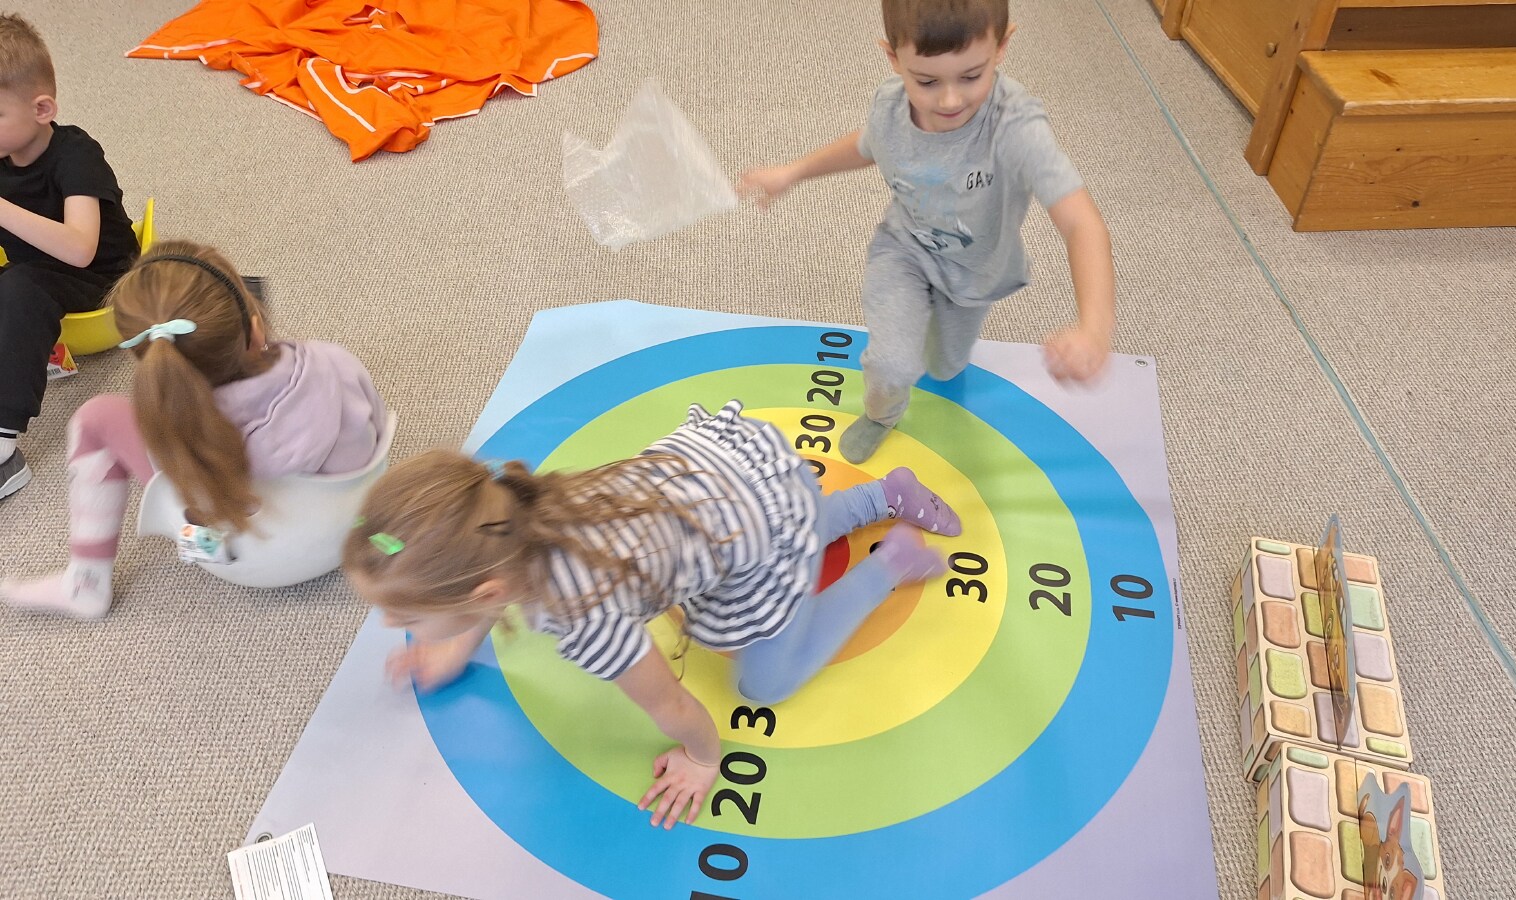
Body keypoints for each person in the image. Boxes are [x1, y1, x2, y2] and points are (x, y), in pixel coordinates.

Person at [343, 400, 961, 829]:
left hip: (760, 521)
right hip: (737, 469)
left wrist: (703, 758)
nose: (391, 625)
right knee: (778, 522)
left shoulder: (582, 617)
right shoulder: (516, 509)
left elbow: (671, 705)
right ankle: (885, 493)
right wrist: (455, 645)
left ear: (485, 592)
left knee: (763, 684)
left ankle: (892, 563)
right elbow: (486, 579)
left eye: (405, 616)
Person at [738, 0, 1116, 463]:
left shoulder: (1015, 126)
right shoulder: (891, 106)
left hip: (976, 271)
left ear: (1002, 47)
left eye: (971, 76)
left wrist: (1094, 328)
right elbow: (867, 145)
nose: (950, 100)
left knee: (945, 367)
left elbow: (1081, 222)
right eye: (927, 82)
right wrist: (793, 172)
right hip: (904, 250)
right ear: (893, 58)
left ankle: (942, 347)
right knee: (892, 366)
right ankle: (881, 415)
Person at [0, 240, 387, 618]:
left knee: (96, 417)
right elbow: (378, 428)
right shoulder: (333, 361)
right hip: (352, 526)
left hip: (245, 559)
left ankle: (86, 583)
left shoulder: (177, 428)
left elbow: (190, 502)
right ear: (255, 328)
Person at [0, 12, 141, 499]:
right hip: (34, 271)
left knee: (19, 288)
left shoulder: (76, 153)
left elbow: (81, 249)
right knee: (18, 284)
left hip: (103, 282)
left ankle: (3, 448)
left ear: (41, 109)